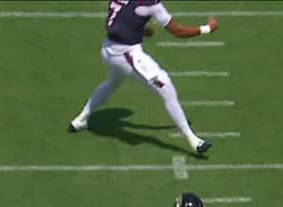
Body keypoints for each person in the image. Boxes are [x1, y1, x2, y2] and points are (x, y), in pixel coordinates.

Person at [69, 1, 218, 154]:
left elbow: (115, 23)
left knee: (112, 83)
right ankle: (193, 140)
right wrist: (207, 29)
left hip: (108, 50)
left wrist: (140, 30)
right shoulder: (151, 4)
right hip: (127, 55)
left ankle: (80, 120)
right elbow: (177, 31)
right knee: (166, 88)